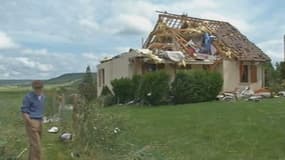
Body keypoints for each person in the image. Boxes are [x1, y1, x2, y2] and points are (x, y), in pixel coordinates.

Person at [21, 80, 45, 160]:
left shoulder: (42, 96)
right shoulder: (28, 97)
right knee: (37, 146)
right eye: (36, 88)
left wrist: (42, 119)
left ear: (42, 87)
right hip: (32, 120)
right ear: (33, 88)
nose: (38, 90)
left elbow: (39, 108)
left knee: (34, 144)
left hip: (40, 121)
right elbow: (24, 112)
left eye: (40, 88)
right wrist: (31, 123)